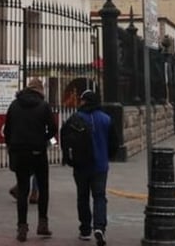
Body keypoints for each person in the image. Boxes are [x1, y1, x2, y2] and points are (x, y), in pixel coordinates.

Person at [4, 77, 57, 242]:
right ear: (40, 91)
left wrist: (12, 145)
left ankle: (22, 227)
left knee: (23, 189)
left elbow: (7, 130)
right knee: (43, 187)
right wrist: (43, 140)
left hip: (19, 152)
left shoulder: (14, 105)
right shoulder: (43, 106)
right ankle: (42, 224)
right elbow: (53, 129)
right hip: (37, 151)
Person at [69, 90, 118, 245]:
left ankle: (84, 229)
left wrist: (68, 159)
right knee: (99, 196)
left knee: (82, 197)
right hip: (100, 165)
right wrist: (108, 156)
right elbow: (114, 143)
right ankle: (99, 227)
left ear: (84, 101)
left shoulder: (75, 118)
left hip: (81, 165)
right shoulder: (106, 119)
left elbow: (66, 139)